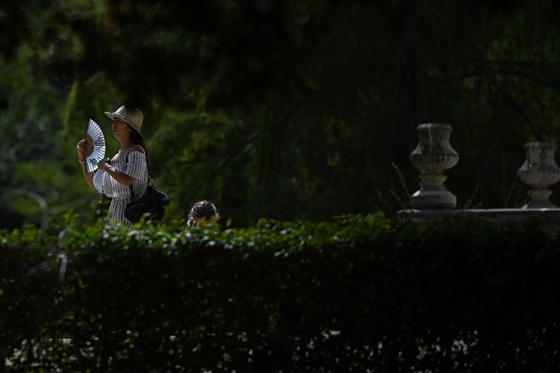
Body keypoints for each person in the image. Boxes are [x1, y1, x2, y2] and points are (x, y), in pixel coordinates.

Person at [76, 105, 149, 228]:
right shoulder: (116, 157)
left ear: (130, 128)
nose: (113, 124)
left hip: (131, 218)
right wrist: (83, 158)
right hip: (113, 218)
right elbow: (93, 184)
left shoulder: (136, 151)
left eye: (118, 121)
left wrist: (106, 167)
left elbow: (127, 180)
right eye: (113, 120)